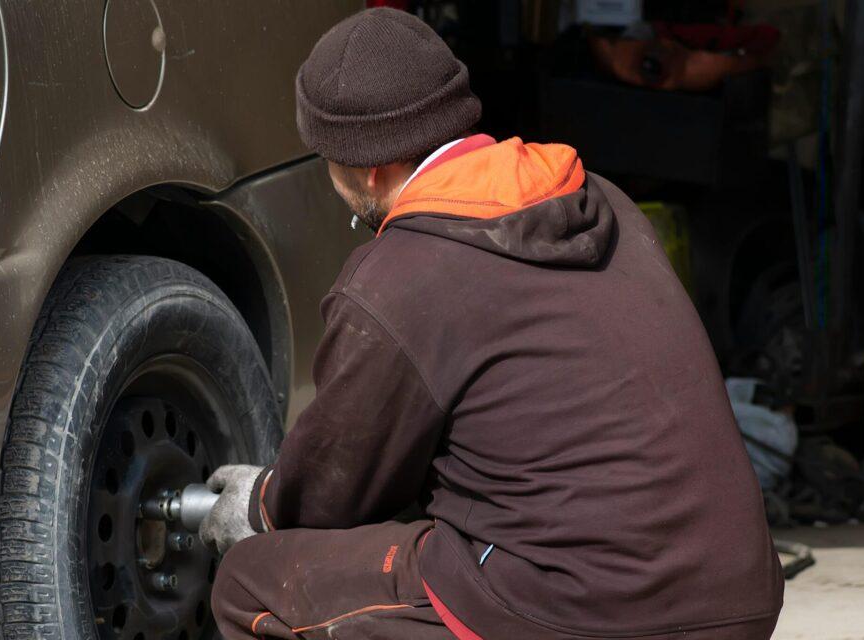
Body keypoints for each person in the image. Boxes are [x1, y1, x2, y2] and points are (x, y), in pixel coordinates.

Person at [199, 8, 784, 640]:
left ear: (367, 169)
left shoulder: (400, 277)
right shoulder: (599, 200)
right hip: (740, 598)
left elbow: (332, 496)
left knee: (252, 579)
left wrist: (261, 504)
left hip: (586, 610)